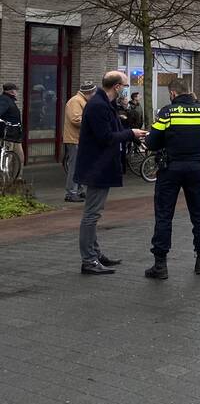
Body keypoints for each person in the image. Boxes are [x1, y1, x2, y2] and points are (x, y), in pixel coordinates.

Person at [143, 78, 200, 279]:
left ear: (173, 93)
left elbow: (151, 142)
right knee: (199, 214)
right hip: (196, 167)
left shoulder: (167, 112)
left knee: (164, 215)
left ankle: (160, 265)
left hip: (170, 168)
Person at [75, 71, 148, 275]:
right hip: (97, 167)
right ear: (117, 87)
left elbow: (115, 128)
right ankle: (89, 260)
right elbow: (105, 137)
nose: (126, 88)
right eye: (125, 85)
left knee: (94, 213)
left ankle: (95, 254)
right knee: (92, 214)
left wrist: (133, 135)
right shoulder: (98, 106)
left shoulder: (104, 104)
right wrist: (130, 133)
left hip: (100, 165)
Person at [62, 82, 96, 202]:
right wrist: (93, 122)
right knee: (75, 166)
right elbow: (76, 119)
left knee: (80, 166)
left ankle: (79, 190)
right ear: (89, 93)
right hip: (74, 138)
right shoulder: (76, 101)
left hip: (80, 139)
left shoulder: (81, 101)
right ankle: (71, 192)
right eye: (93, 93)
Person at [0, 83, 23, 173]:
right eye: (16, 90)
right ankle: (9, 179)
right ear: (12, 91)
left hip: (14, 133)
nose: (17, 92)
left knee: (17, 155)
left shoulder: (8, 100)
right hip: (9, 133)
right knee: (9, 157)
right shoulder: (5, 101)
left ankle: (16, 178)